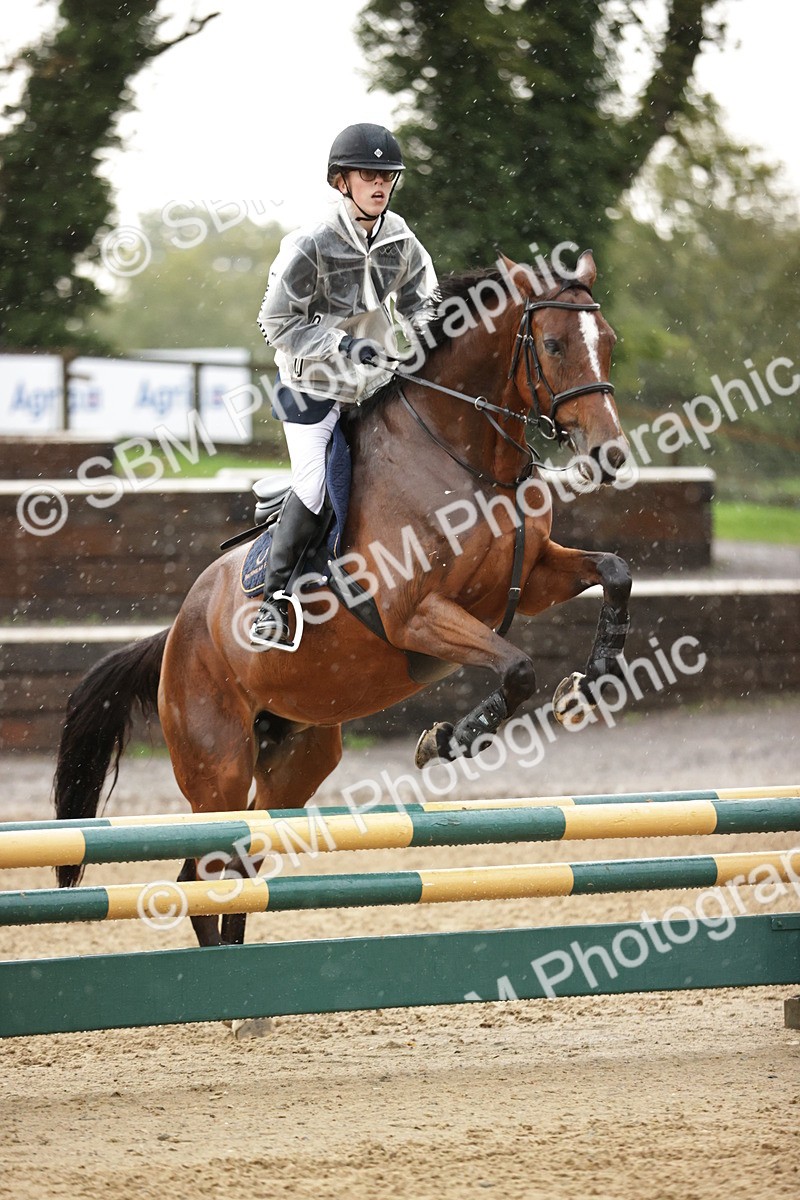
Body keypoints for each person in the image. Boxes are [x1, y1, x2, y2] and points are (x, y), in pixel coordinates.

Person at [250, 122, 438, 647]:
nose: (379, 185)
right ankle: (273, 600)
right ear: (341, 182)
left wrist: (421, 344)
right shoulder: (312, 244)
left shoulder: (402, 240)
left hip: (372, 384)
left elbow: (426, 303)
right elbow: (276, 323)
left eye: (387, 177)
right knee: (313, 485)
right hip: (309, 388)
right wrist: (339, 343)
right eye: (368, 175)